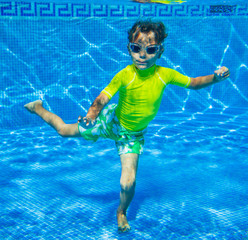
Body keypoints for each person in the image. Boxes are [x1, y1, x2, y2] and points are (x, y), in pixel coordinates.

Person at [24, 20, 230, 233]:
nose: (142, 55)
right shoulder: (125, 74)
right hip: (108, 122)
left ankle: (121, 211)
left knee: (127, 183)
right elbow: (102, 98)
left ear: (160, 52)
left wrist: (215, 78)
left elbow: (194, 83)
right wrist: (92, 115)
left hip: (132, 135)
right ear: (129, 48)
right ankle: (38, 108)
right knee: (64, 131)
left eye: (150, 50)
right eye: (136, 48)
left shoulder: (164, 74)